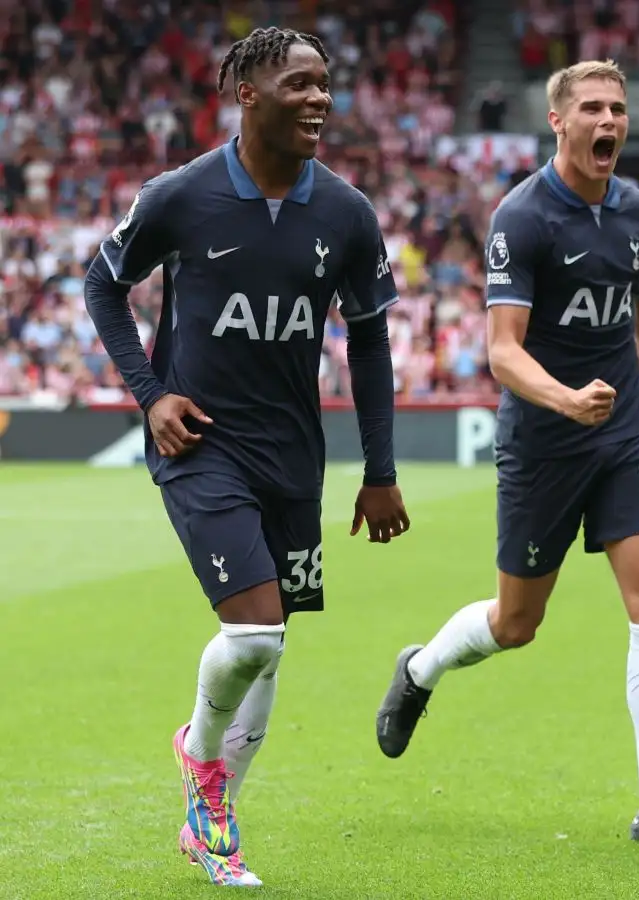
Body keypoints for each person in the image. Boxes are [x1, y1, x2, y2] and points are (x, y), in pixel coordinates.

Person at [81, 27, 410, 888]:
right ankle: (202, 765)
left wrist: (380, 470)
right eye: (300, 84)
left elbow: (369, 343)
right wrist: (151, 395)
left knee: (272, 644)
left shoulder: (346, 212)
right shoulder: (180, 195)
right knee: (255, 628)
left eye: (326, 84)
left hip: (294, 455)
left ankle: (211, 819)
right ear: (249, 93)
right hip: (201, 445)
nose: (320, 99)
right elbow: (101, 283)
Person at [374, 60, 639, 847]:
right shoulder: (523, 217)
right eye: (593, 109)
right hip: (542, 439)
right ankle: (421, 670)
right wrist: (566, 400)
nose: (609, 121)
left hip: (626, 433)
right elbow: (502, 352)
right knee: (516, 622)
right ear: (560, 123)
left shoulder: (637, 211)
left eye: (618, 108)